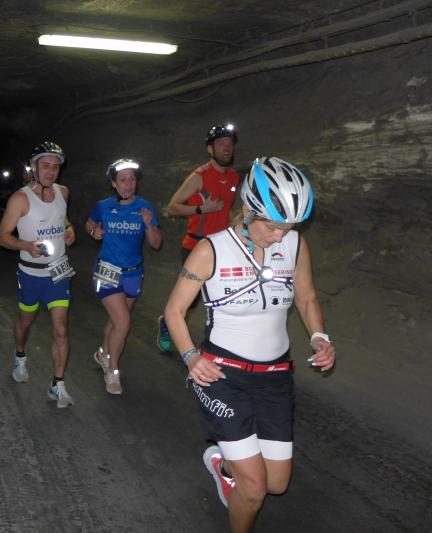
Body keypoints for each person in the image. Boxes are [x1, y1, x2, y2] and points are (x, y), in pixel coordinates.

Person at [163, 157, 336, 532]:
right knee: (255, 489)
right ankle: (237, 483)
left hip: (275, 377)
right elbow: (174, 311)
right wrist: (191, 357)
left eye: (287, 228)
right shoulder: (211, 250)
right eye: (272, 226)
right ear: (248, 209)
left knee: (277, 483)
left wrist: (320, 337)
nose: (279, 236)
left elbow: (306, 298)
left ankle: (224, 466)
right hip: (223, 376)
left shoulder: (294, 245)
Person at [0, 141, 77, 408]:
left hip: (58, 272)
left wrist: (69, 228)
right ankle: (20, 355)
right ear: (34, 167)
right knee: (26, 321)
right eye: (45, 166)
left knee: (61, 329)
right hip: (30, 274)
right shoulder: (20, 199)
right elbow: (2, 236)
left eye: (55, 167)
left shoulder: (63, 192)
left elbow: (61, 217)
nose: (51, 172)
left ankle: (57, 385)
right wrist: (26, 245)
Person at [157, 124, 242, 352]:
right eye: (221, 144)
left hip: (222, 247)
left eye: (230, 144)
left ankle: (217, 343)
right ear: (210, 149)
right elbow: (173, 207)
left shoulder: (234, 177)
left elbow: (226, 210)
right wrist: (201, 209)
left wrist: (239, 223)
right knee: (191, 298)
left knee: (223, 294)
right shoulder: (199, 176)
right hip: (196, 246)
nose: (227, 148)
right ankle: (166, 323)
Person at [85, 159, 161, 394]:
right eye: (123, 180)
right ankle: (113, 371)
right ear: (114, 183)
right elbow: (89, 223)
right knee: (123, 322)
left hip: (133, 273)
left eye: (132, 179)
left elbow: (156, 243)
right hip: (106, 271)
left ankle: (103, 354)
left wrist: (148, 225)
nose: (128, 184)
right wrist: (93, 230)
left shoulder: (145, 207)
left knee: (116, 320)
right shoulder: (103, 206)